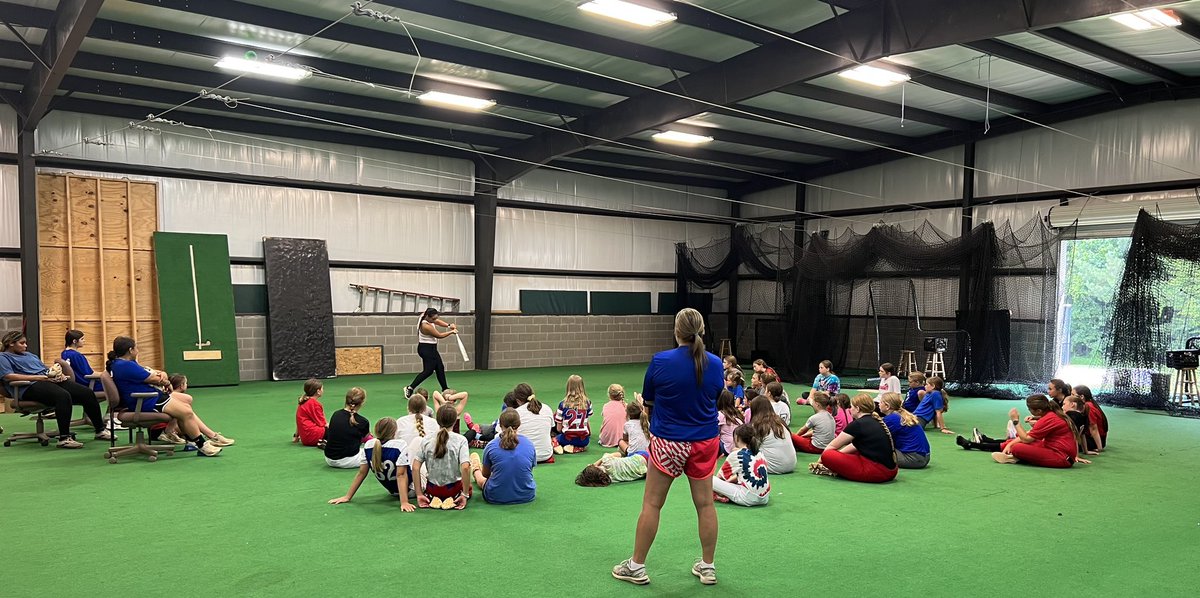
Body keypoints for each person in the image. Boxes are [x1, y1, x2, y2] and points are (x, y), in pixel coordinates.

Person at [613, 308, 723, 587]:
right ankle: (708, 567)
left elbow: (648, 401)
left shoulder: (660, 360)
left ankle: (636, 566)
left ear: (676, 332)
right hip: (705, 442)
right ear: (702, 331)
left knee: (652, 504)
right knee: (705, 504)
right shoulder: (715, 363)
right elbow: (713, 395)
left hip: (668, 441)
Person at [105, 336, 220, 456]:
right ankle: (202, 445)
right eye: (136, 348)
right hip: (146, 400)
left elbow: (153, 374)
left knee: (185, 409)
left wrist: (160, 376)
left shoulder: (120, 363)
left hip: (148, 397)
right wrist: (167, 382)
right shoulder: (126, 366)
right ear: (130, 350)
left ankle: (193, 443)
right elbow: (154, 378)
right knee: (186, 413)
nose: (137, 351)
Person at [1, 331, 111, 449]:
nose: (25, 346)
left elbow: (45, 370)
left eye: (25, 343)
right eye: (22, 343)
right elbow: (8, 376)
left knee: (86, 393)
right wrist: (40, 378)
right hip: (28, 386)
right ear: (11, 343)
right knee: (62, 396)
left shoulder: (30, 355)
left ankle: (100, 430)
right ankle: (64, 438)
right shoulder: (3, 357)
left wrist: (57, 375)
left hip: (46, 380)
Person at [962, 395, 1082, 468]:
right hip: (1054, 450)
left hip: (1062, 458)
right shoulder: (1050, 415)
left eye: (1030, 409)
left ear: (1039, 411)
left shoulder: (1049, 419)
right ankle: (975, 445)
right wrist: (1010, 443)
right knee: (1013, 442)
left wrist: (1015, 421)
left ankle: (1015, 457)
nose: (1029, 411)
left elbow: (1026, 438)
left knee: (1017, 447)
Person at [327, 417, 415, 511]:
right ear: (394, 432)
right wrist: (404, 502)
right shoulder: (400, 445)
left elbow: (361, 473)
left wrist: (347, 496)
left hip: (393, 491)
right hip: (411, 489)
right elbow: (401, 475)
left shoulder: (369, 445)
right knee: (417, 453)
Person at [810, 394, 897, 483]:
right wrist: (839, 455)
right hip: (891, 471)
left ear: (858, 409)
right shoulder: (876, 420)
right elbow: (854, 446)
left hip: (877, 472)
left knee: (827, 455)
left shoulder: (858, 424)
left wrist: (821, 461)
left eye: (851, 407)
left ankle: (837, 468)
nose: (850, 409)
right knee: (849, 452)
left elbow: (831, 446)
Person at [467, 410, 537, 505]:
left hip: (495, 496)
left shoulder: (491, 445)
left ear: (500, 425)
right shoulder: (529, 444)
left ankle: (475, 468)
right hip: (526, 495)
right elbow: (529, 470)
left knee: (481, 479)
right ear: (519, 424)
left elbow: (486, 475)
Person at [412, 404, 471, 509]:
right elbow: (465, 467)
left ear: (437, 420)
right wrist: (465, 494)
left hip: (432, 490)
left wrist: (419, 494)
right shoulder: (461, 440)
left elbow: (415, 467)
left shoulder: (426, 440)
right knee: (469, 486)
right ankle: (456, 497)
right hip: (453, 490)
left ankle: (434, 498)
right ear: (455, 421)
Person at [163, 374, 234, 447]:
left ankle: (208, 436)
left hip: (171, 427)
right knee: (186, 408)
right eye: (186, 383)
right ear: (182, 386)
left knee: (185, 411)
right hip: (165, 428)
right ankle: (211, 436)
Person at [404, 308, 457, 398]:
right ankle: (410, 388)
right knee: (428, 371)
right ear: (428, 317)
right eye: (433, 318)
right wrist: (451, 332)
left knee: (440, 367)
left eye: (436, 318)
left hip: (432, 349)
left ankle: (445, 389)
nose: (435, 320)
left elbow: (437, 321)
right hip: (426, 349)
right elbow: (439, 335)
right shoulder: (425, 326)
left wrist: (448, 325)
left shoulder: (425, 315)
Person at [711, 425, 770, 507]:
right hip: (764, 498)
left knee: (710, 480)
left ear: (737, 438)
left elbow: (720, 477)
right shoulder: (760, 453)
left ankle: (719, 495)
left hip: (747, 498)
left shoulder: (737, 454)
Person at [879, 392, 930, 469]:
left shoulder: (891, 419)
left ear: (887, 406)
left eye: (881, 402)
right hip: (924, 456)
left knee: (875, 450)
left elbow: (879, 438)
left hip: (913, 458)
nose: (879, 404)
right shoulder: (903, 415)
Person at [748, 396, 796, 475]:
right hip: (791, 465)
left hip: (773, 466)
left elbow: (753, 448)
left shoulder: (758, 425)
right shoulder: (779, 421)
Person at [324, 387, 369, 468]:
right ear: (362, 402)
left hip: (329, 459)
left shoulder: (335, 414)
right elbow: (367, 439)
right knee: (375, 451)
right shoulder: (363, 421)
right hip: (348, 460)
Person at [553, 374, 592, 454]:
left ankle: (557, 446)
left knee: (554, 438)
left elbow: (559, 429)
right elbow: (587, 421)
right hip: (584, 440)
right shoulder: (588, 403)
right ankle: (578, 448)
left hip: (566, 439)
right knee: (584, 443)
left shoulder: (562, 404)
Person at [515, 389, 556, 463]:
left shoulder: (517, 412)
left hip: (525, 457)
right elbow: (551, 429)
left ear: (518, 401)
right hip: (546, 455)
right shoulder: (547, 408)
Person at [576, 451, 649, 486]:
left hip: (644, 472)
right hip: (642, 457)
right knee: (628, 453)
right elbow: (619, 454)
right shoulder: (607, 462)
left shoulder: (611, 479)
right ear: (597, 468)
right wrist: (596, 463)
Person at [294, 378, 327, 447]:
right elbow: (323, 424)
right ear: (318, 391)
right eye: (322, 388)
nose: (323, 390)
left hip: (305, 438)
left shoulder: (302, 402)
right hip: (314, 436)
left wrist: (296, 435)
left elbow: (299, 421)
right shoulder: (315, 404)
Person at [1074, 384, 1107, 450]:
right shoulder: (1089, 404)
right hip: (1094, 438)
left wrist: (1099, 447)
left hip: (1093, 441)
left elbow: (1093, 428)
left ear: (1082, 396)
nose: (1070, 396)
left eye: (1073, 394)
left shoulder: (1089, 407)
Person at [716, 389, 746, 456]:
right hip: (739, 445)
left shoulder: (721, 414)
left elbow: (716, 432)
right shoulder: (737, 413)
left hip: (727, 447)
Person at [599, 384, 628, 448]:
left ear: (609, 395)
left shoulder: (606, 406)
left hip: (605, 439)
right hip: (623, 439)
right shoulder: (626, 406)